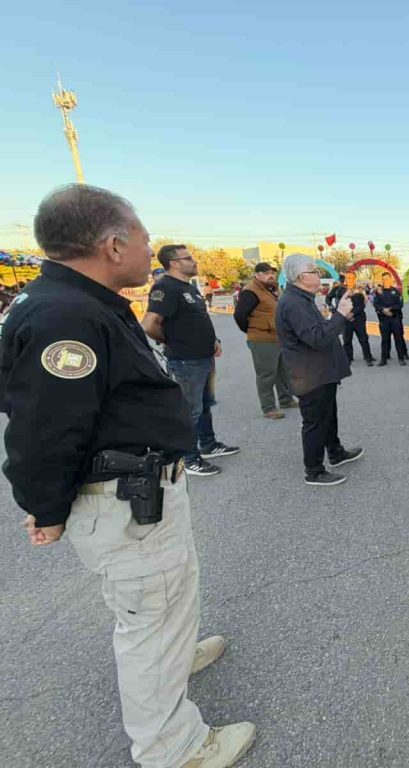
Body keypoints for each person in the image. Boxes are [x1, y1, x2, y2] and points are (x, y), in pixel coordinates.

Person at [1, 184, 255, 767]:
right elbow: (43, 427)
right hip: (122, 498)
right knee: (149, 616)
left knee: (169, 597)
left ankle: (177, 654)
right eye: (143, 238)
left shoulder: (79, 302)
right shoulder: (67, 314)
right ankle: (176, 748)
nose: (149, 248)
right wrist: (46, 507)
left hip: (145, 491)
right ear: (114, 244)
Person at [143, 245, 240, 477]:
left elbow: (195, 319)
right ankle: (189, 458)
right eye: (188, 258)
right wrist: (171, 341)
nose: (194, 261)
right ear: (173, 263)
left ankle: (208, 444)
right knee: (191, 410)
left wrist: (212, 340)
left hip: (203, 357)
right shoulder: (165, 287)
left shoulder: (189, 288)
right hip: (186, 361)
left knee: (205, 405)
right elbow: (149, 324)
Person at [275, 254, 364, 486]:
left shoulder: (303, 299)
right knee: (314, 422)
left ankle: (335, 452)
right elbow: (317, 337)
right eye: (314, 271)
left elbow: (317, 329)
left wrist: (338, 318)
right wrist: (340, 315)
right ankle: (314, 471)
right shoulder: (294, 303)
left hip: (321, 371)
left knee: (328, 414)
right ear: (301, 276)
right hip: (310, 374)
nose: (319, 275)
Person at [233, 262, 298, 419]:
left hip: (277, 338)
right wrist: (255, 330)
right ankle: (268, 407)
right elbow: (239, 315)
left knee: (282, 372)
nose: (271, 275)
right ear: (257, 274)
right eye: (267, 273)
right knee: (266, 374)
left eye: (272, 273)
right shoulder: (251, 291)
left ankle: (286, 399)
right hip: (262, 339)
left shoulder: (269, 290)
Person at [372, 272, 408, 366]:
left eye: (387, 279)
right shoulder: (379, 292)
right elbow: (376, 303)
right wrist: (383, 310)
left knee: (398, 339)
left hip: (395, 318)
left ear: (391, 279)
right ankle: (383, 359)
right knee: (385, 340)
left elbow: (400, 304)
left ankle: (401, 358)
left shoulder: (396, 291)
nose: (385, 281)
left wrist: (390, 309)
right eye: (384, 279)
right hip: (384, 319)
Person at [342, 280, 376, 367]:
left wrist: (352, 314)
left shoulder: (359, 291)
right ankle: (348, 358)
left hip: (359, 319)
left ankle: (368, 358)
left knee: (363, 339)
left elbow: (361, 305)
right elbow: (335, 301)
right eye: (348, 278)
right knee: (347, 340)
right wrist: (331, 306)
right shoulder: (340, 290)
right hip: (346, 319)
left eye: (351, 278)